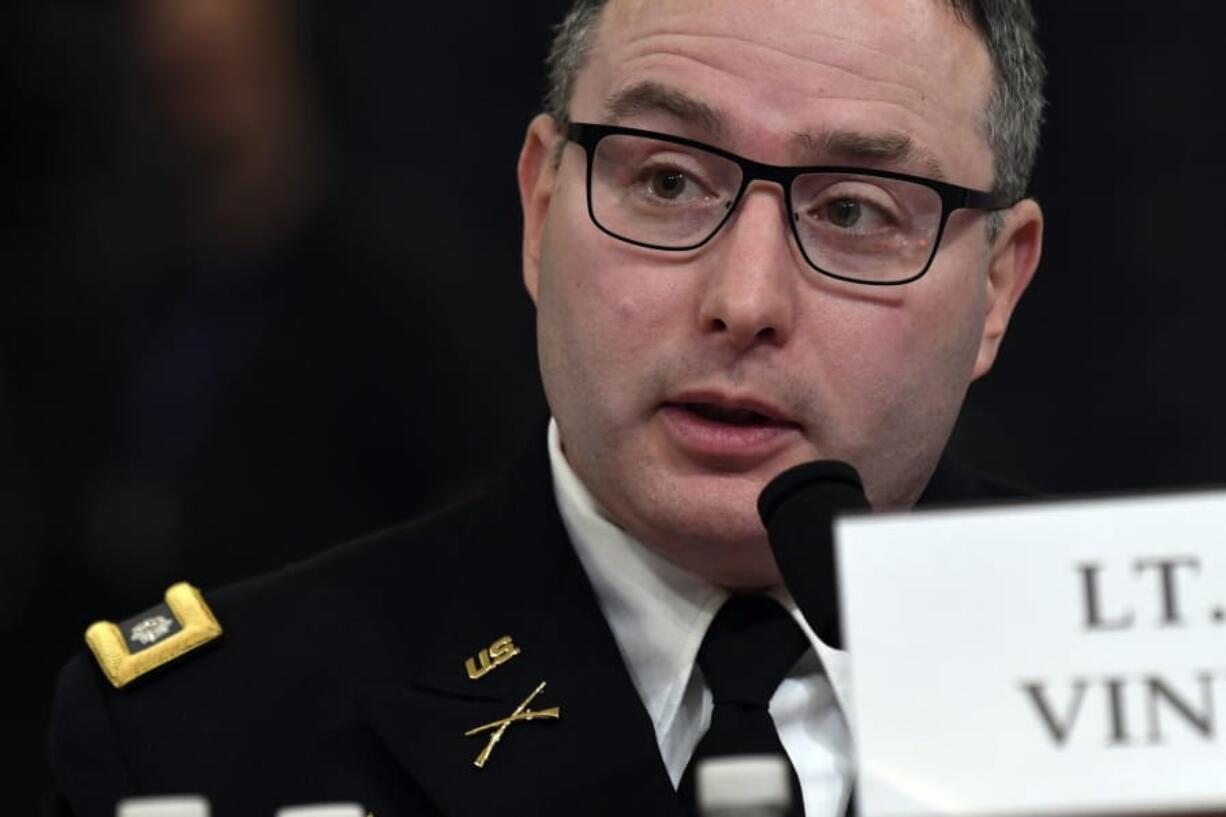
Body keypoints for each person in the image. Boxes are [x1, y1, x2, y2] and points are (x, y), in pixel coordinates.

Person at [45, 0, 1044, 815]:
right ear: (537, 211)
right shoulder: (203, 734)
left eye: (853, 211)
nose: (743, 302)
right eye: (664, 180)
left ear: (995, 287)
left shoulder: (1163, 689)